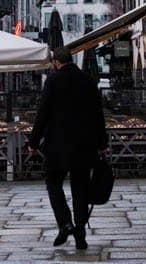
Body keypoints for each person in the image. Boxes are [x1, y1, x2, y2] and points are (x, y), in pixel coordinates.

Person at [27, 44, 107, 250]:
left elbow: (42, 113)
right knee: (80, 189)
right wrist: (102, 144)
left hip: (58, 146)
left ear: (56, 62)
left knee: (53, 184)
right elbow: (99, 116)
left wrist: (33, 143)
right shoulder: (88, 81)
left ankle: (65, 223)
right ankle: (80, 233)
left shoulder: (53, 80)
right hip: (84, 146)